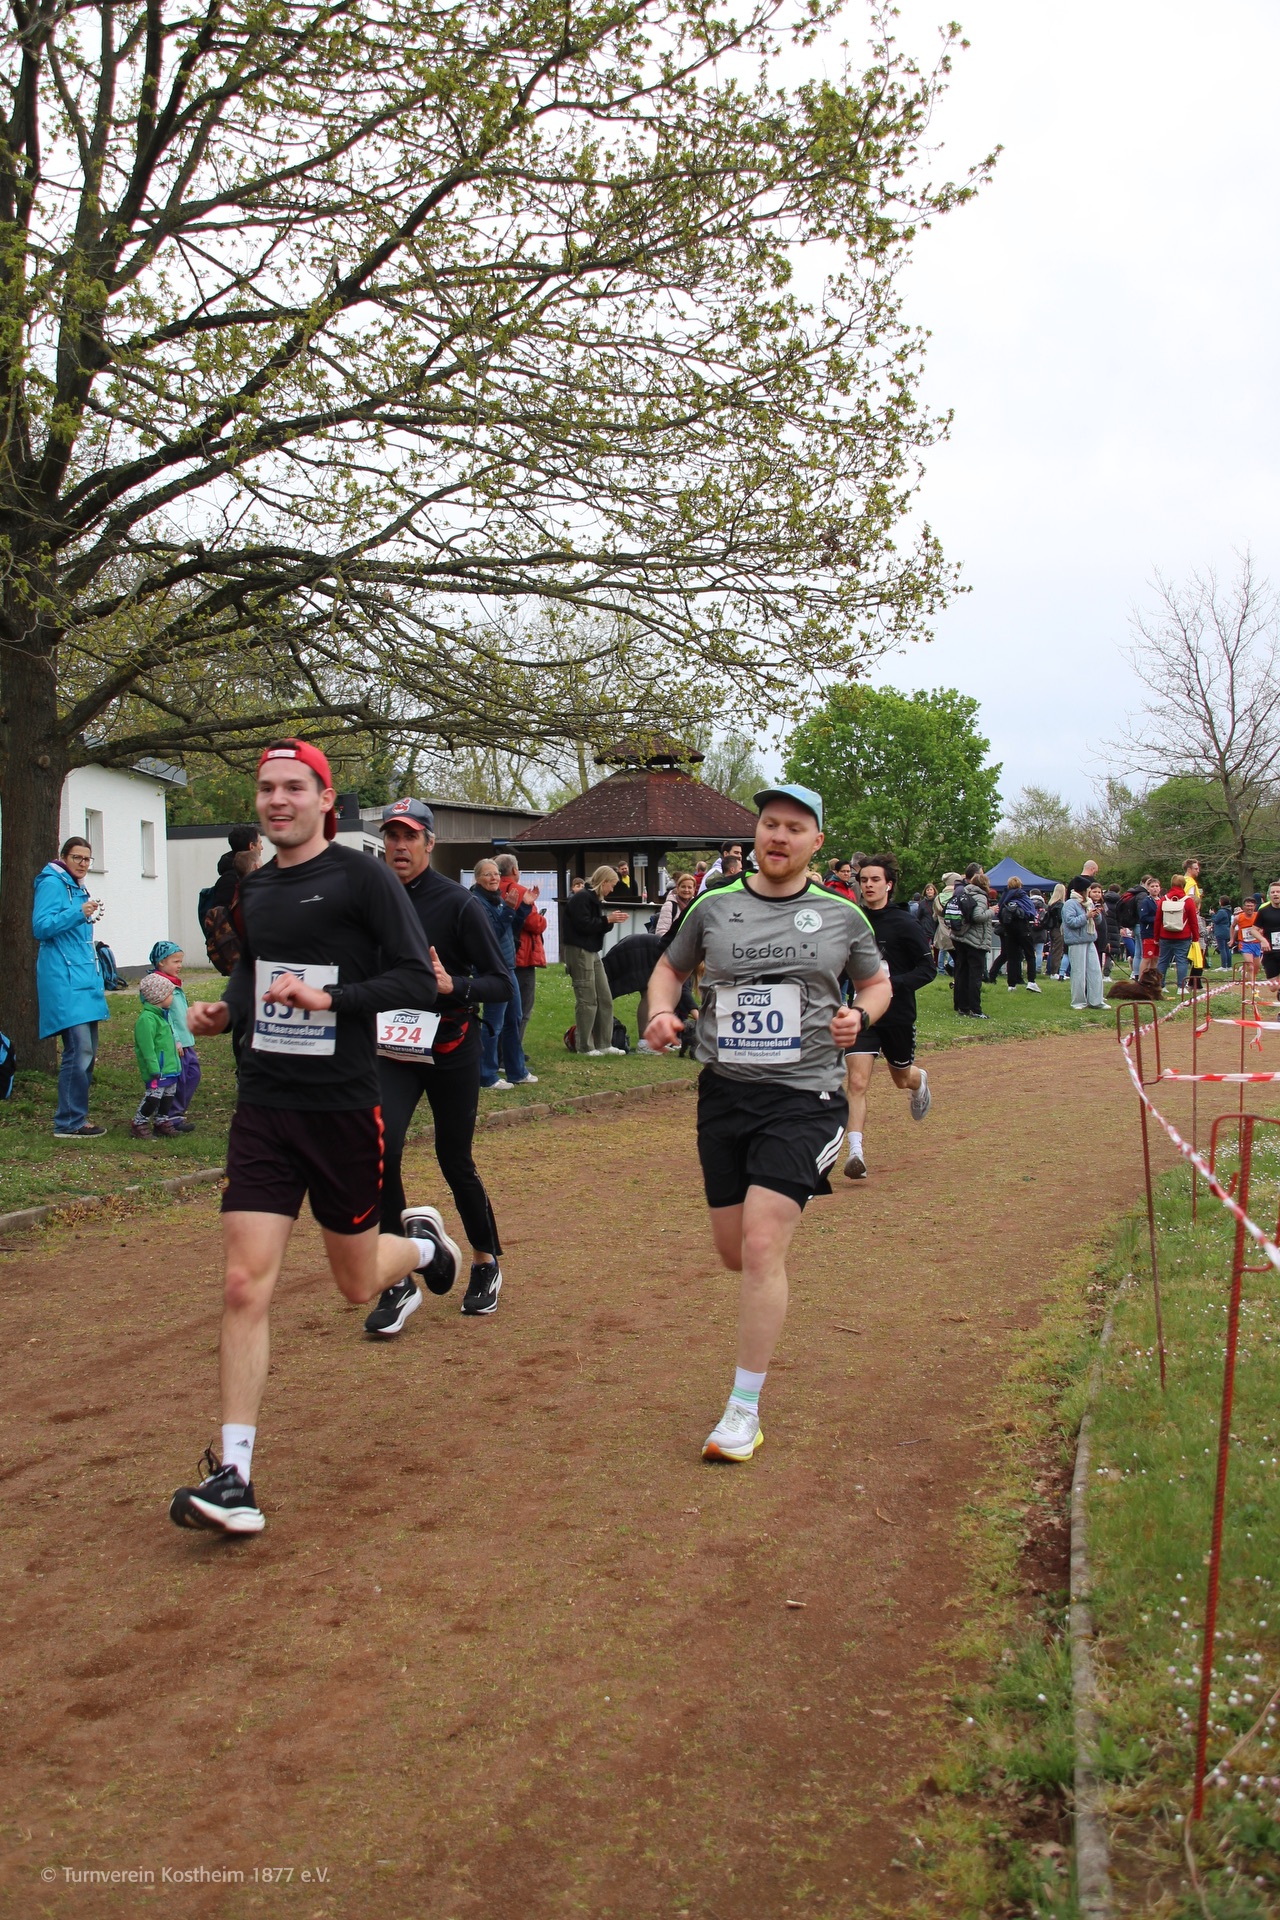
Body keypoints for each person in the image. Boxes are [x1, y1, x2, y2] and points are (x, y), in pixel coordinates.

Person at [171, 738, 456, 1535]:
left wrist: (331, 1002)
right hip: (265, 1104)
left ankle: (423, 1246)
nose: (278, 799)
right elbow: (252, 969)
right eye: (268, 788)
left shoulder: (364, 878)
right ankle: (234, 1474)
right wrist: (227, 1009)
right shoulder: (256, 889)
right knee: (242, 1284)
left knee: (357, 1284)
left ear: (326, 799)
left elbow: (414, 979)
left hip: (341, 1108)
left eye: (295, 787)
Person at [644, 783, 891, 1462]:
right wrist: (660, 1011)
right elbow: (668, 969)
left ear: (816, 842)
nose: (778, 836)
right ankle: (761, 1293)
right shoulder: (713, 906)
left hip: (805, 1097)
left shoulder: (842, 915)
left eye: (794, 828)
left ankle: (742, 1410)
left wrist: (860, 1014)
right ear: (755, 834)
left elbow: (876, 983)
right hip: (725, 1095)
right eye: (769, 824)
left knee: (759, 1245)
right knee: (734, 1252)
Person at [366, 799, 513, 1329]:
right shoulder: (370, 900)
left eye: (410, 836)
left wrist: (455, 985)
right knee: (379, 1151)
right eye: (392, 836)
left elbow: (502, 982)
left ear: (430, 843)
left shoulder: (458, 904)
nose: (399, 846)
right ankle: (398, 1278)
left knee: (455, 1158)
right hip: (393, 1049)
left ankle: (485, 1261)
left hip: (450, 1047)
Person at [842, 853, 935, 1180]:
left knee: (901, 1078)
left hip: (897, 1015)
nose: (868, 885)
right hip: (862, 1015)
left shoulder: (905, 923)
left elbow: (927, 969)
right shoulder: (852, 921)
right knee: (856, 1082)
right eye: (863, 880)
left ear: (889, 885)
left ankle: (918, 1081)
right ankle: (855, 1152)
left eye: (875, 880)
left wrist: (887, 986)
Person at [32, 834, 110, 1139]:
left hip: (83, 977)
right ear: (64, 857)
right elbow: (41, 926)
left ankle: (77, 1117)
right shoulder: (52, 883)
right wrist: (79, 913)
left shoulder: (78, 886)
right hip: (63, 977)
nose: (83, 863)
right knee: (79, 1050)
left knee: (88, 1052)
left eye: (87, 859)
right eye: (77, 857)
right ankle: (67, 1121)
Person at [471, 858, 535, 1091]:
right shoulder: (476, 903)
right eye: (488, 874)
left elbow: (509, 929)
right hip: (491, 969)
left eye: (496, 874)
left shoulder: (496, 899)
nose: (494, 878)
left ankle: (516, 1071)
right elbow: (491, 934)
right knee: (493, 1022)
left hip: (508, 967)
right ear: (477, 878)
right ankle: (486, 1075)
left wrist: (523, 907)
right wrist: (508, 910)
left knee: (513, 1019)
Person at [563, 865, 628, 1054]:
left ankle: (604, 1043)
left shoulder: (594, 899)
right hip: (579, 951)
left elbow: (594, 926)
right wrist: (607, 920)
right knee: (587, 999)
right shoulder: (582, 898)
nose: (612, 890)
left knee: (604, 997)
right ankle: (584, 1046)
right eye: (612, 885)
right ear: (604, 882)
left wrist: (609, 921)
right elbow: (583, 925)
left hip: (592, 951)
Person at [147, 941, 200, 1130]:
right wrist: (175, 1040)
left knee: (193, 1074)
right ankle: (170, 1116)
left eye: (180, 961)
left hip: (186, 1040)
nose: (180, 965)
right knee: (178, 1079)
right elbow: (164, 1016)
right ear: (161, 962)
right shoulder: (158, 986)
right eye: (175, 961)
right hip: (174, 1044)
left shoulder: (174, 983)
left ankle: (174, 1112)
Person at [497, 853, 547, 1047]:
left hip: (498, 955)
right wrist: (543, 920)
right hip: (521, 955)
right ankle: (512, 1052)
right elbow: (534, 923)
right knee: (522, 1009)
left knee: (499, 1010)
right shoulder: (518, 891)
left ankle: (498, 1051)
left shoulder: (490, 890)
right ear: (514, 870)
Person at [131, 972, 183, 1138]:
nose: (172, 998)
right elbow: (147, 1047)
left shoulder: (163, 1016)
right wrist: (154, 1067)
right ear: (158, 997)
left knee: (168, 1096)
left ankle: (161, 1121)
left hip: (169, 1068)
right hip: (158, 1070)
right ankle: (139, 1122)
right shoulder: (147, 1019)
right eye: (169, 994)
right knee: (153, 1097)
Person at [944, 864, 993, 1017]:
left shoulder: (963, 892)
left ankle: (962, 1006)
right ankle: (975, 1009)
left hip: (960, 937)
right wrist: (992, 911)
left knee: (962, 973)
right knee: (974, 975)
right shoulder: (980, 897)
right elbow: (977, 916)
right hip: (975, 940)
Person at [1154, 872, 1199, 993]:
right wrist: (1195, 937)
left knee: (1163, 960)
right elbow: (1193, 922)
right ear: (1183, 885)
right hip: (1183, 936)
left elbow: (1158, 920)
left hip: (1165, 935)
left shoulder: (1164, 899)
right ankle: (1181, 987)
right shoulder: (1188, 901)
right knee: (1182, 961)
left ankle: (1160, 985)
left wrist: (1156, 937)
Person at [997, 877, 1043, 993]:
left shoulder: (1005, 897)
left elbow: (999, 912)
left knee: (1012, 957)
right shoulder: (1023, 896)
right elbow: (1031, 912)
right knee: (1030, 955)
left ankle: (1011, 985)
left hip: (1009, 930)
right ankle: (1031, 981)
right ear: (1020, 885)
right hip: (1023, 929)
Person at [1063, 886, 1105, 1009]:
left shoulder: (1089, 902)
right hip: (1076, 941)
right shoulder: (1070, 903)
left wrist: (1096, 914)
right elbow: (1070, 922)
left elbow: (1097, 922)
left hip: (1090, 939)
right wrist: (1086, 916)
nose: (1090, 892)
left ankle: (1096, 1001)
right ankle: (1078, 1002)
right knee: (1078, 972)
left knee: (1095, 971)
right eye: (1088, 889)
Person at [1252, 881, 1280, 996]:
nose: (1275, 894)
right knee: (1273, 987)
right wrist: (1263, 940)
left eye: (1278, 892)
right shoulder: (1264, 911)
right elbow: (1253, 930)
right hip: (1270, 951)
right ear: (1269, 895)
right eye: (1273, 892)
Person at [655, 871, 697, 937]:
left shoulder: (696, 906)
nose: (686, 890)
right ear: (677, 888)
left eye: (689, 887)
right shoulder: (669, 905)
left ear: (694, 889)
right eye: (683, 887)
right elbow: (661, 932)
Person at [1212, 896, 1234, 972]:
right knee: (1227, 949)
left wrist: (1213, 914)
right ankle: (1229, 965)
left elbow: (1216, 920)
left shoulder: (1221, 911)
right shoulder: (1228, 911)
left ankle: (1223, 966)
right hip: (1227, 931)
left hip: (1221, 931)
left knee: (1222, 949)